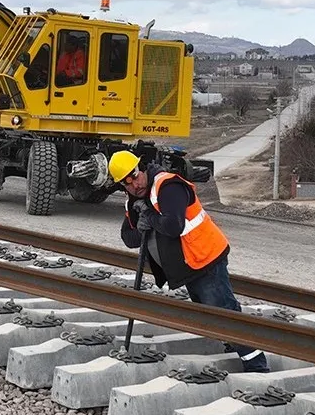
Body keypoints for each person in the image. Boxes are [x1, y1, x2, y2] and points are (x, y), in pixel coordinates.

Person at [109, 150, 269, 373]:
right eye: (127, 183)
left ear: (142, 168)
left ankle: (257, 367)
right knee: (213, 314)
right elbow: (129, 238)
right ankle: (234, 346)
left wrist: (150, 218)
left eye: (135, 176)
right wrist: (142, 226)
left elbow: (174, 226)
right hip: (190, 265)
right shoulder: (135, 202)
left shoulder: (168, 186)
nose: (135, 185)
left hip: (206, 258)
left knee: (224, 313)